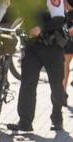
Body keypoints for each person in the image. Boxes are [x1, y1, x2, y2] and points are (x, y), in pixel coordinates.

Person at [5, 0, 69, 134]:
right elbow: (11, 13)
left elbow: (60, 20)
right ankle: (25, 122)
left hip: (52, 47)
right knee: (28, 83)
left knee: (56, 84)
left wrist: (41, 29)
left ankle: (57, 118)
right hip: (32, 47)